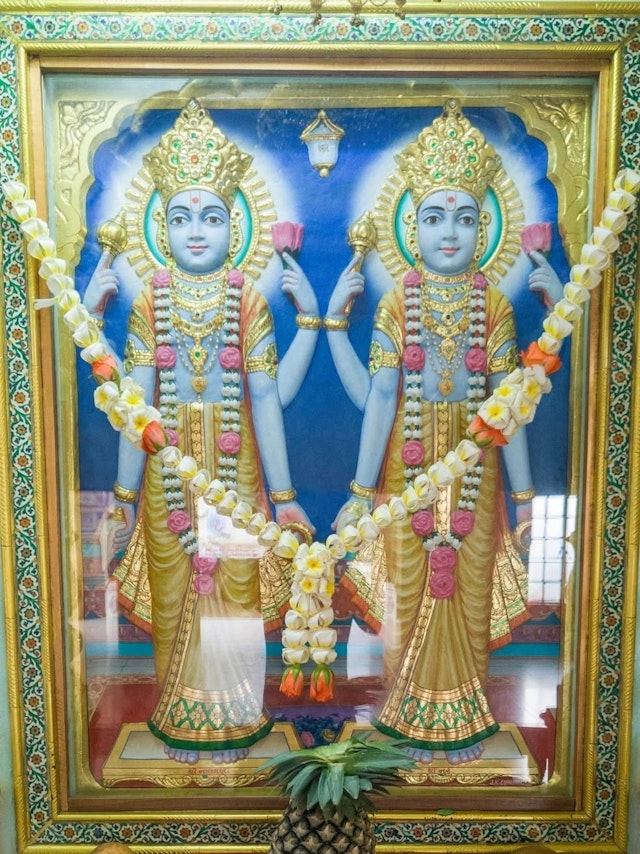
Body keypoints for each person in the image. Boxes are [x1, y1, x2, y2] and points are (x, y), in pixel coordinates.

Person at [83, 100, 319, 765]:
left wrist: (285, 496)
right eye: (181, 217)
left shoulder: (247, 299)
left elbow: (267, 399)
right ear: (160, 227)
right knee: (175, 587)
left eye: (211, 217)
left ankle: (237, 710)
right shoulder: (150, 300)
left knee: (235, 587)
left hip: (236, 470)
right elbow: (132, 406)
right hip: (166, 473)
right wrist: (123, 498)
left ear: (234, 226)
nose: (195, 231)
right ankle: (181, 711)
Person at [327, 101, 562, 765]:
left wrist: (524, 501)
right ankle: (405, 703)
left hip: (477, 479)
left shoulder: (495, 305)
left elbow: (510, 410)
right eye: (434, 217)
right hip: (404, 479)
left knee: (465, 587)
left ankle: (463, 709)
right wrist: (361, 493)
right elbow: (379, 399)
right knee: (408, 587)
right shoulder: (397, 302)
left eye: (464, 218)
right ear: (412, 227)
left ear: (485, 228)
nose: (450, 232)